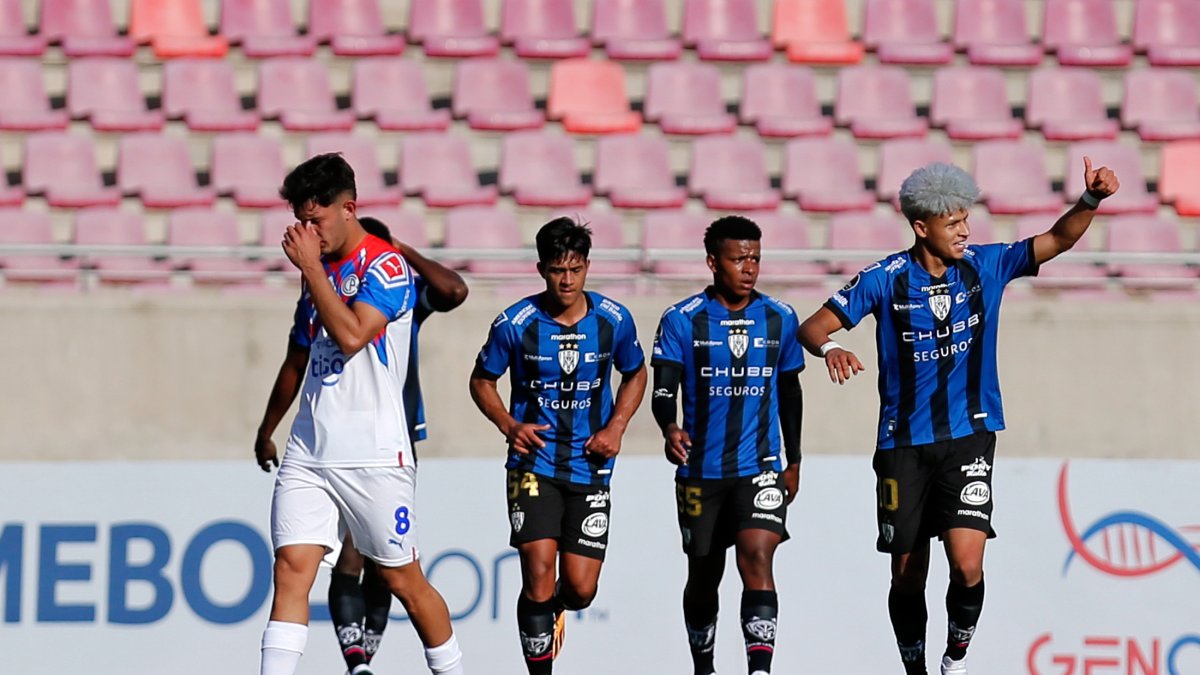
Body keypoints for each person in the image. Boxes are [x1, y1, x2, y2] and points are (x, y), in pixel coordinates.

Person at [797, 160, 1119, 675]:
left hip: (970, 434)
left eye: (967, 220)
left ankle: (956, 657)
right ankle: (916, 668)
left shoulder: (985, 265)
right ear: (922, 227)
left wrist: (1090, 201)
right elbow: (812, 327)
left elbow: (1057, 240)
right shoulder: (884, 279)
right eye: (953, 223)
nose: (966, 231)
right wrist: (832, 347)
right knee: (907, 573)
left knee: (968, 563)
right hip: (903, 442)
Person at [253, 153, 466, 675]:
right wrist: (267, 429)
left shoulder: (386, 267)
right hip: (309, 451)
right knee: (292, 570)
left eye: (316, 220)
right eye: (301, 221)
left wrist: (309, 269)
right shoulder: (318, 272)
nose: (307, 232)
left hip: (373, 453)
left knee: (403, 582)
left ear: (349, 209)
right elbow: (298, 357)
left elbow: (350, 336)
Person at [468, 217, 647, 674]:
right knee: (539, 573)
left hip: (590, 466)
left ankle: (556, 613)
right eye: (556, 270)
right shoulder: (515, 323)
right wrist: (509, 425)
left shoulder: (613, 320)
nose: (566, 280)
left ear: (587, 267)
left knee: (581, 589)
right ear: (541, 269)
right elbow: (482, 380)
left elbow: (636, 371)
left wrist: (617, 426)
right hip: (533, 464)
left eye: (575, 269)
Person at [650, 215, 806, 675]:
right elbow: (663, 391)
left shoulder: (780, 317)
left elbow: (791, 393)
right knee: (703, 575)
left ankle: (759, 670)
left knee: (757, 554)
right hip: (700, 470)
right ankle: (705, 666)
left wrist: (793, 459)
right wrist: (669, 427)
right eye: (739, 259)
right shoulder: (682, 320)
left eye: (756, 258)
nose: (750, 267)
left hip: (759, 465)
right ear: (713, 262)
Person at [326, 216, 469, 675]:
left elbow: (454, 291)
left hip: (397, 435)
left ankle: (363, 660)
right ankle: (357, 661)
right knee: (353, 554)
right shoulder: (345, 293)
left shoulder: (401, 292)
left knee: (388, 560)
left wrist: (402, 250)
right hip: (348, 435)